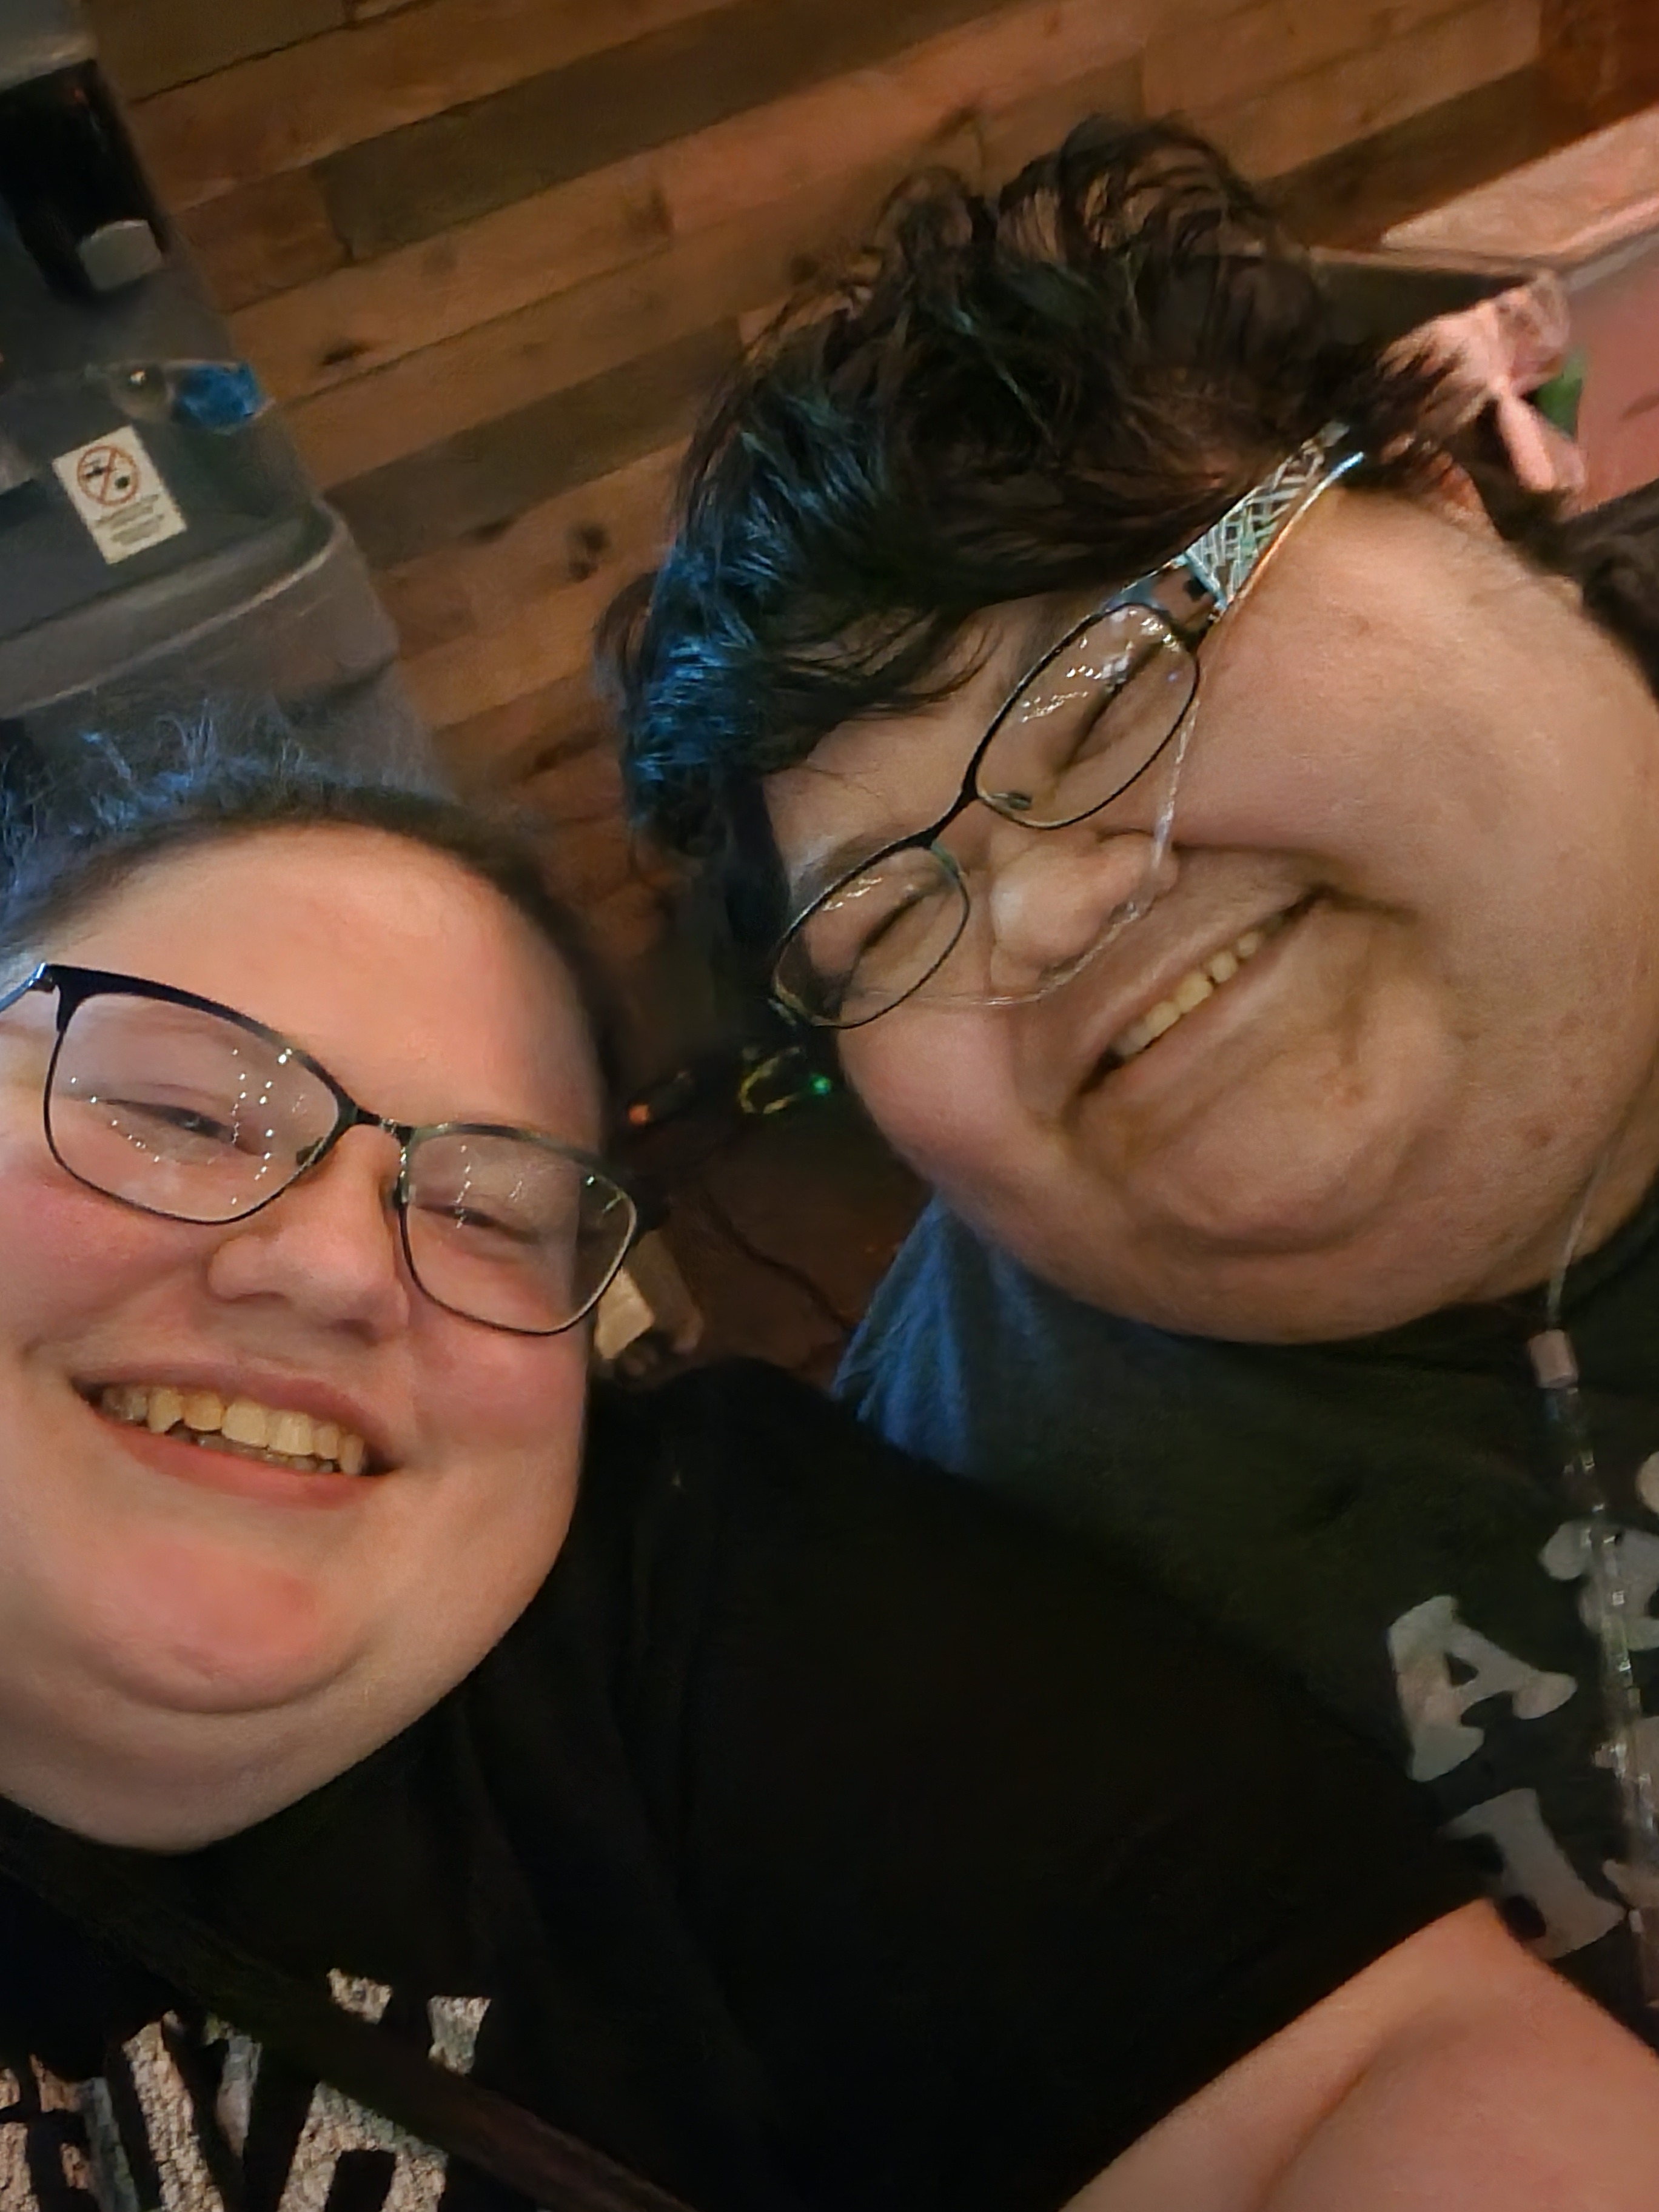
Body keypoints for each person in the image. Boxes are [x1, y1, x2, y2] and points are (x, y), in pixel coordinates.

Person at [5, 731, 1659, 2211]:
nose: (333, 1270)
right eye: (181, 1116)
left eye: (489, 1213)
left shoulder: (723, 1596)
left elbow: (1369, 2082)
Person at [605, 116, 1659, 2041]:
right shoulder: (947, 1580)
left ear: (1436, 498)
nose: (1041, 913)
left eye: (1110, 689)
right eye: (887, 920)